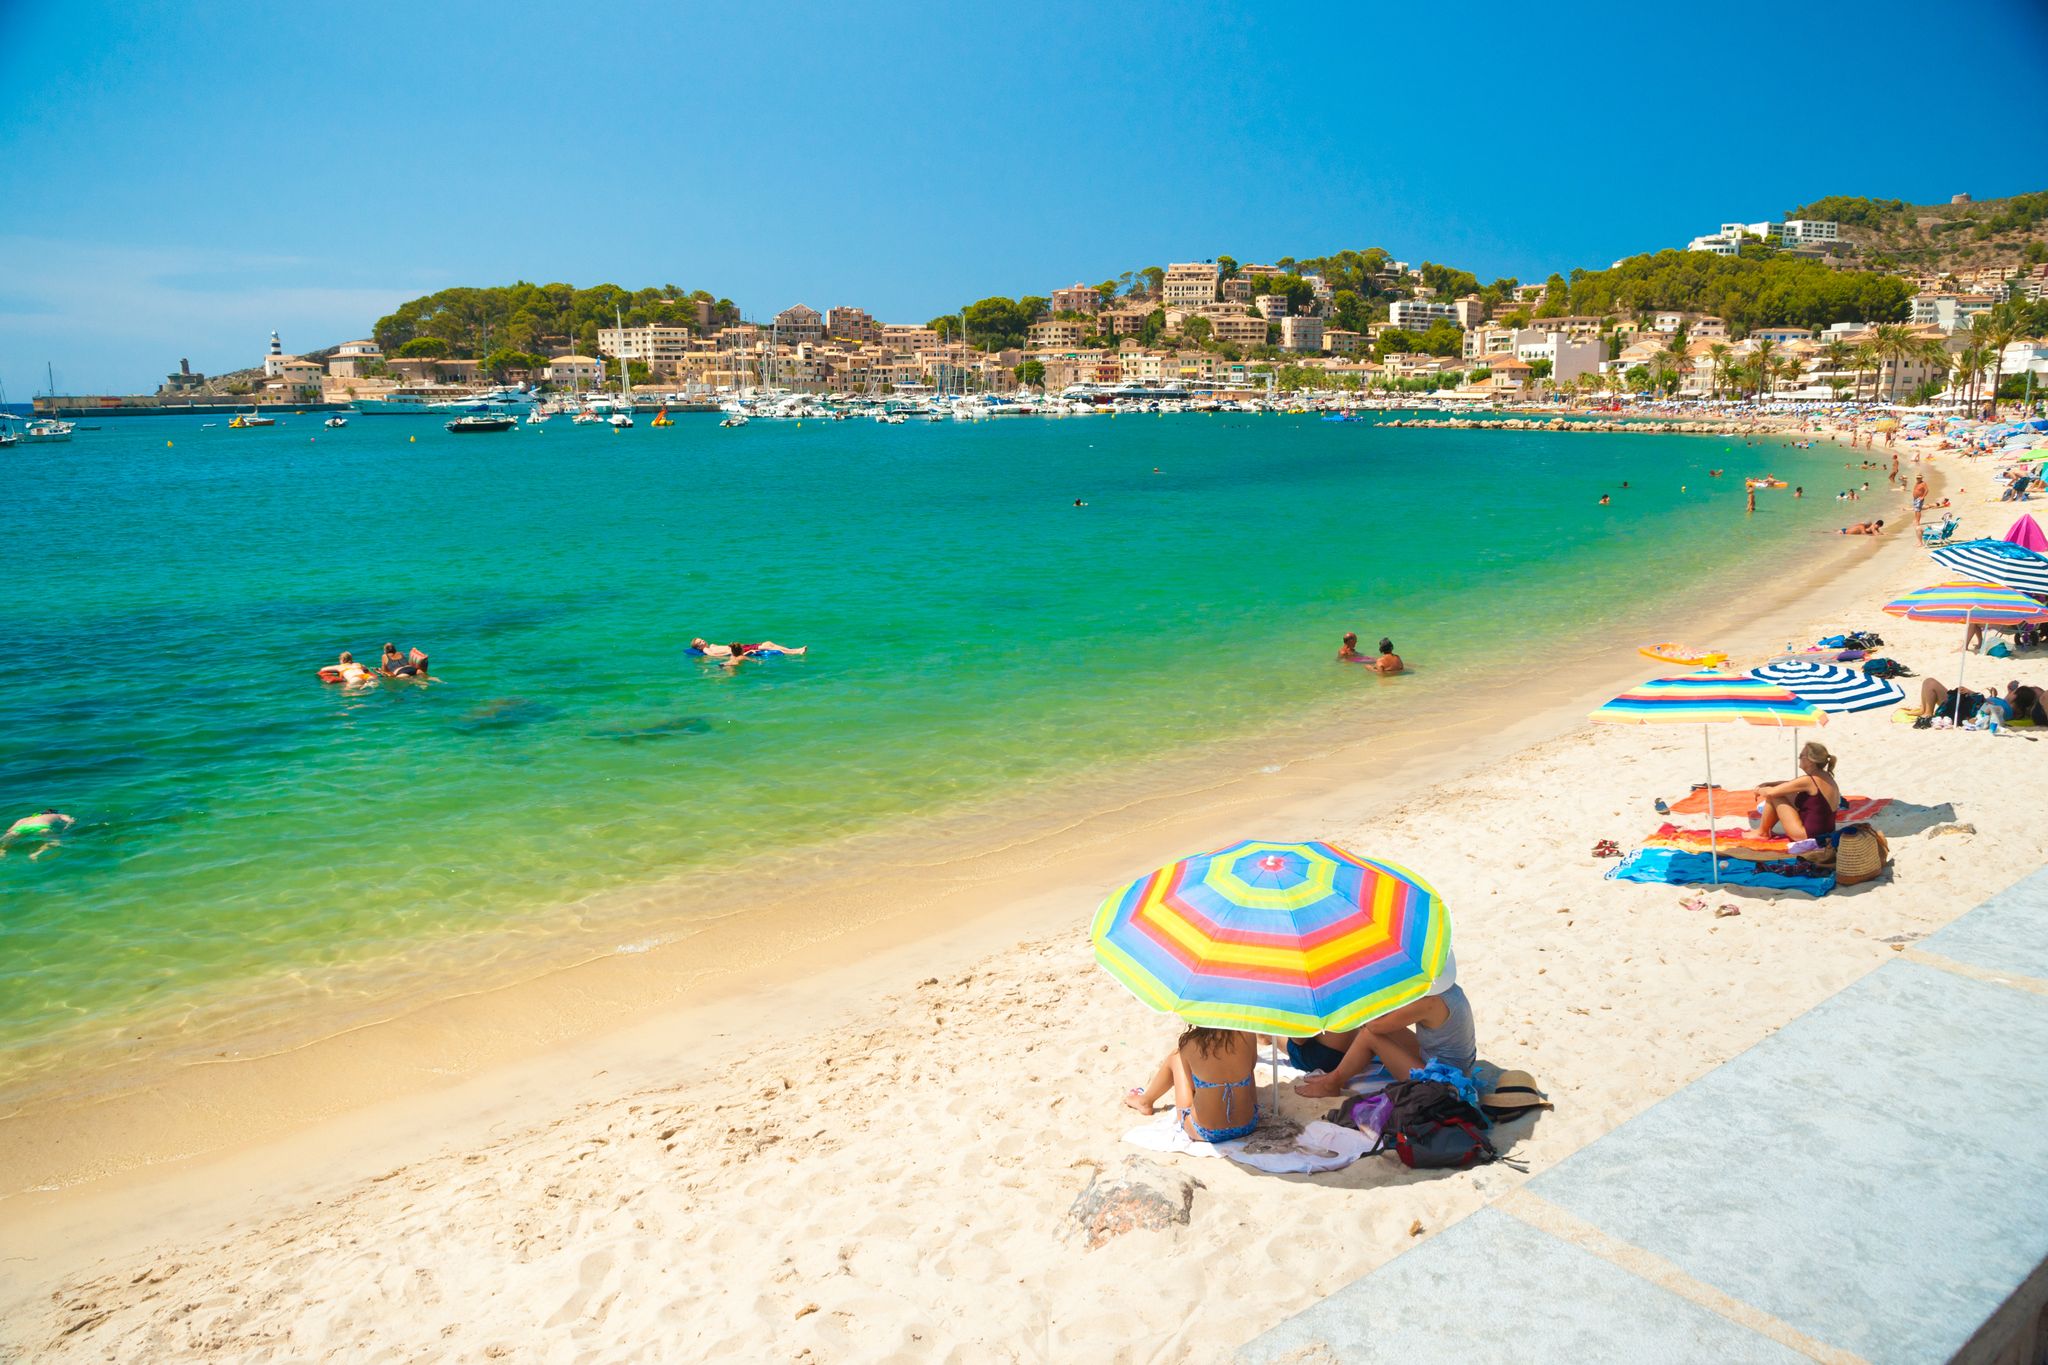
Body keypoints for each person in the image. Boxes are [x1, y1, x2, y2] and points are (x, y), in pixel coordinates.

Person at [1292, 969, 1477, 1099]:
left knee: (1368, 1035)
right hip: (1456, 1065)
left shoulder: (1429, 1003)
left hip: (1443, 1080)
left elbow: (1374, 1027)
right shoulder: (1452, 991)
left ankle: (1331, 1083)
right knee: (1388, 1030)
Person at [1124, 1024, 1261, 1143]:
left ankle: (1145, 1101)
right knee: (1246, 1069)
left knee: (1176, 1056)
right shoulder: (1248, 1034)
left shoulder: (1190, 1043)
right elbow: (1251, 1066)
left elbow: (1191, 1086)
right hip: (1248, 1124)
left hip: (1204, 1131)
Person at [1753, 742, 1842, 843]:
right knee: (1783, 792)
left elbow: (1771, 793)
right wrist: (1770, 783)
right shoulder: (1825, 777)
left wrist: (1758, 790)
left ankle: (1762, 832)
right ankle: (1763, 831)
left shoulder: (1808, 781)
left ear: (1811, 761)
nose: (1799, 758)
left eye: (1801, 756)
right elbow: (1791, 785)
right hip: (1826, 832)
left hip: (1807, 835)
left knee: (1775, 796)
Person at [2, 809, 74, 861]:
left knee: (8, 841)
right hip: (40, 827)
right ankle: (35, 854)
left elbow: (9, 830)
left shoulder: (26, 818)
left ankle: (2, 850)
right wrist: (66, 827)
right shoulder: (58, 815)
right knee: (56, 842)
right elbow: (70, 821)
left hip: (21, 828)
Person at [689, 638, 807, 662]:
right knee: (768, 645)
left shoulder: (712, 645)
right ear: (698, 647)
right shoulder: (707, 651)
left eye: (702, 640)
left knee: (768, 643)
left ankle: (795, 651)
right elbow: (718, 655)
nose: (703, 642)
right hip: (741, 650)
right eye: (700, 643)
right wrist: (742, 653)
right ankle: (796, 652)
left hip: (742, 646)